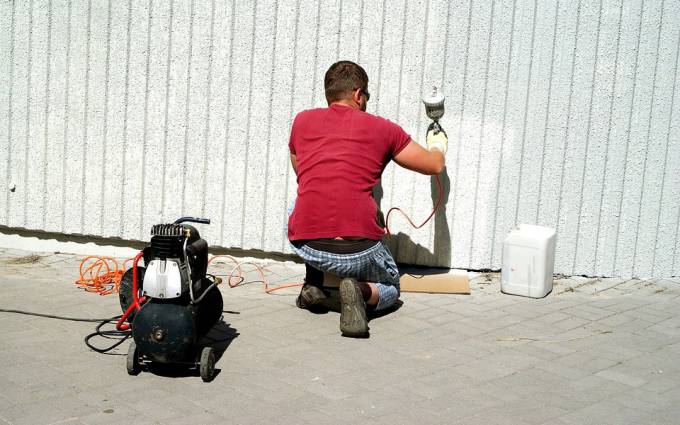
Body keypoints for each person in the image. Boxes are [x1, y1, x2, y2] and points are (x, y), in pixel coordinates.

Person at [287, 60, 448, 338]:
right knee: (392, 288)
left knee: (302, 200)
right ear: (358, 94)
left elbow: (301, 171)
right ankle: (360, 292)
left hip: (308, 245)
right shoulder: (383, 129)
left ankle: (313, 285)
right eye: (367, 97)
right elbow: (434, 165)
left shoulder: (302, 121)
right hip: (358, 252)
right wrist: (437, 143)